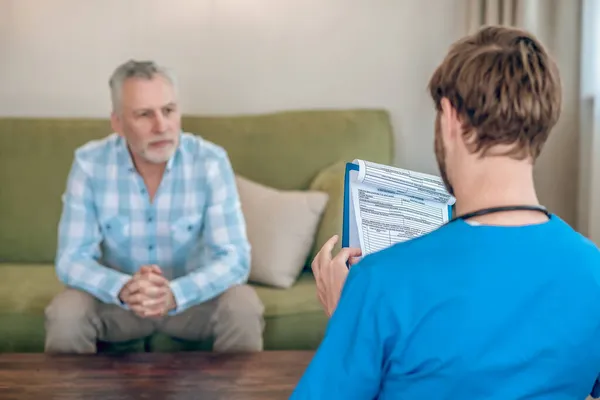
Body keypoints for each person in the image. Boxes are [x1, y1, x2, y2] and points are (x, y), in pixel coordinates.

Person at [291, 25, 600, 399]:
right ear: (542, 124)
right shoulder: (593, 269)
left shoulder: (380, 282)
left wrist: (350, 321)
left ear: (450, 117)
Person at [44, 60, 264, 353]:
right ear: (118, 123)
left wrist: (175, 293)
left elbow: (235, 258)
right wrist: (123, 288)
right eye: (144, 115)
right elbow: (71, 258)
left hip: (191, 303)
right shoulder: (89, 163)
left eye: (169, 111)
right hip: (119, 304)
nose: (161, 126)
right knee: (66, 312)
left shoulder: (210, 161)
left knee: (243, 305)